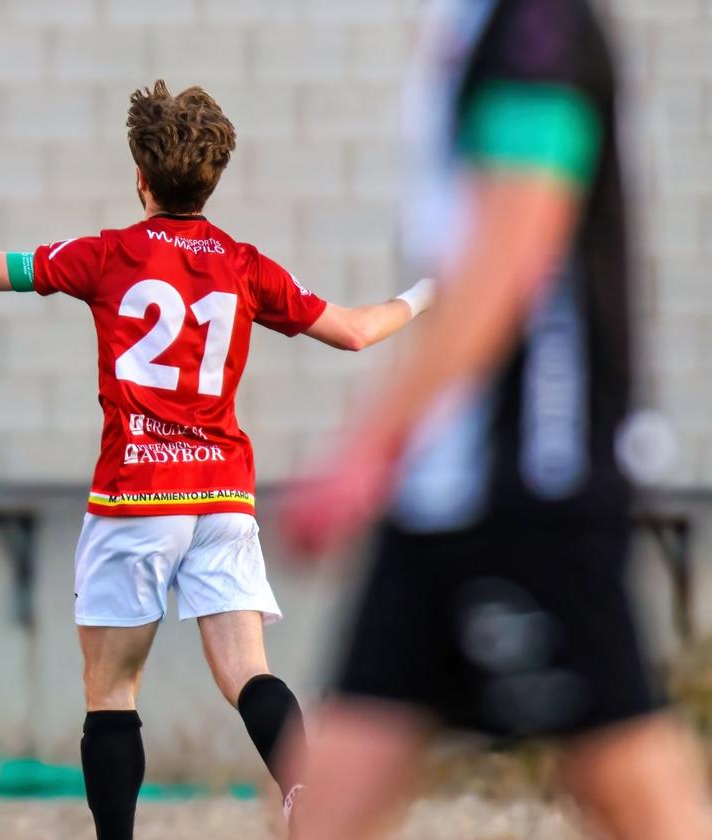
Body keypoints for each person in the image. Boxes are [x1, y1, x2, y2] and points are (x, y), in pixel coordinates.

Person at [0, 81, 433, 839]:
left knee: (112, 688)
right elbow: (356, 330)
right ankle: (306, 797)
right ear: (214, 175)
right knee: (247, 672)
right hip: (223, 496)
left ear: (140, 174)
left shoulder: (108, 254)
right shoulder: (242, 263)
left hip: (137, 496)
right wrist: (429, 292)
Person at [281, 1, 712, 838]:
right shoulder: (472, 21)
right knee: (323, 801)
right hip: (442, 491)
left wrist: (370, 445)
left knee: (631, 789)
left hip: (533, 483)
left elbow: (518, 247)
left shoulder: (536, 22)